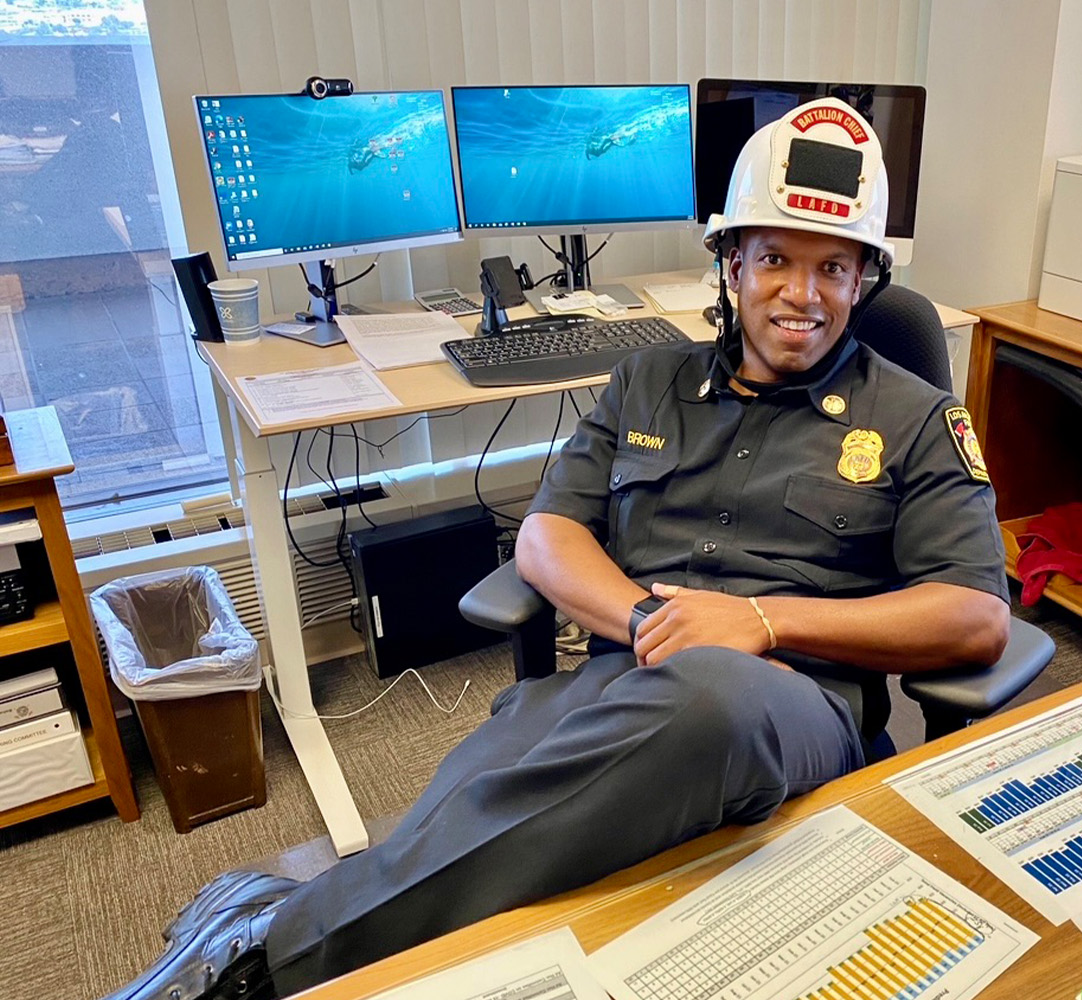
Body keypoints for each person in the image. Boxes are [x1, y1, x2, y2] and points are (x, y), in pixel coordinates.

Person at [104, 97, 1010, 1000]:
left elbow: (974, 617)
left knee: (709, 703)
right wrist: (651, 621)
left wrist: (761, 623)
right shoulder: (649, 376)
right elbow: (546, 535)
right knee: (487, 786)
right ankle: (338, 943)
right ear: (731, 263)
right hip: (624, 676)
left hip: (789, 707)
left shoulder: (920, 417)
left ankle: (269, 951)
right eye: (774, 258)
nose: (802, 294)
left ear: (865, 281)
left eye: (833, 267)